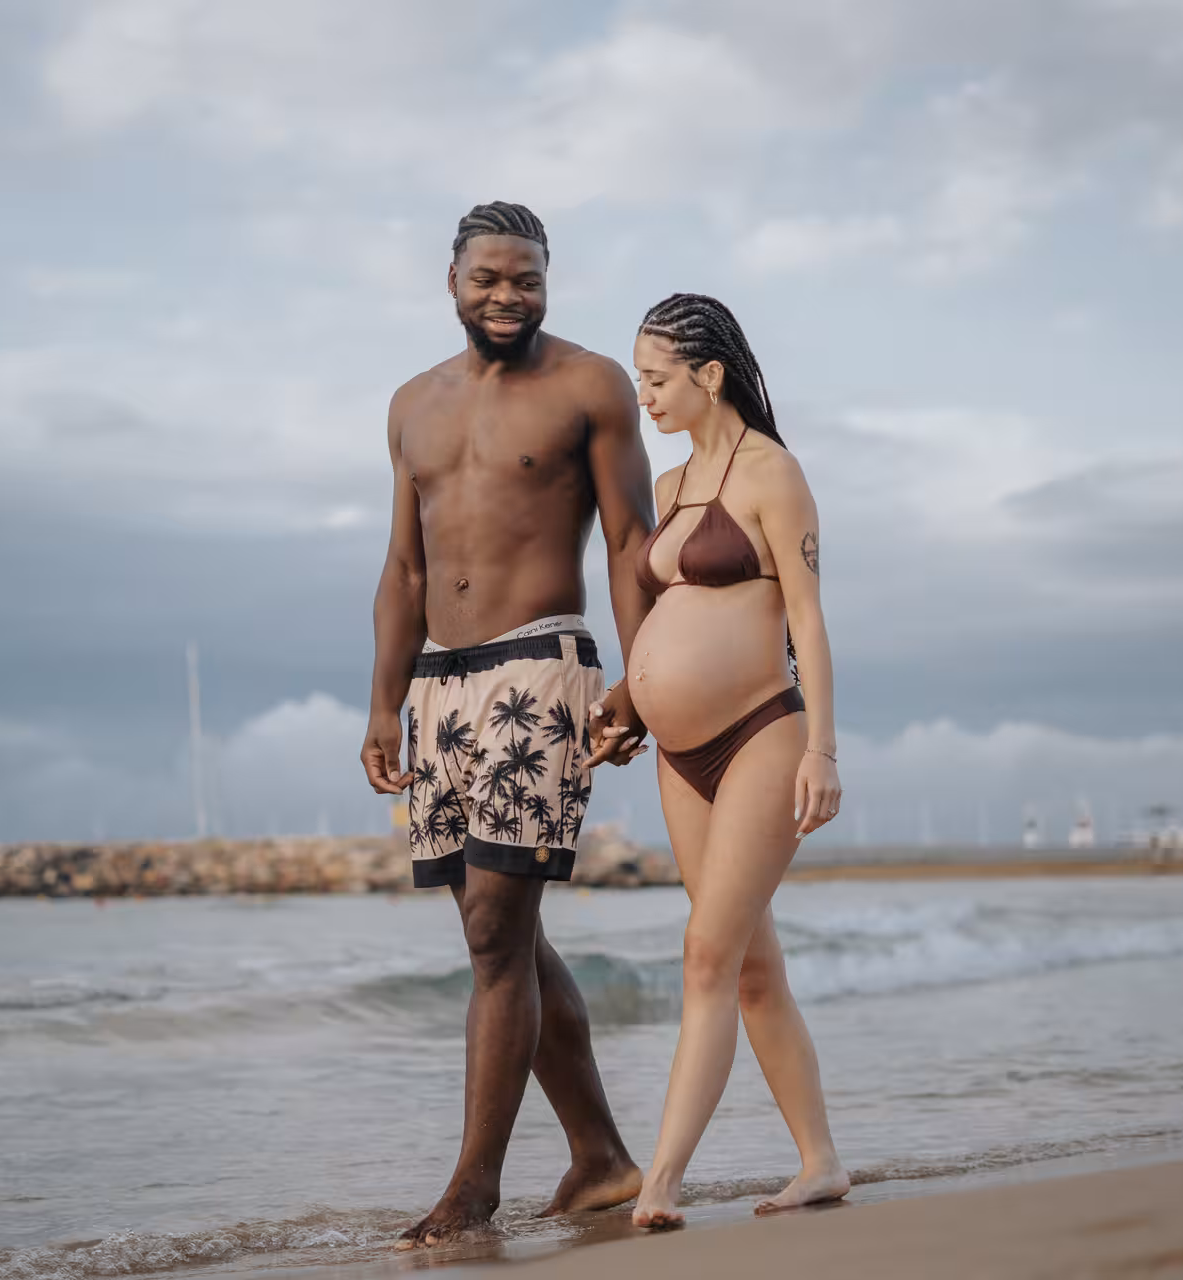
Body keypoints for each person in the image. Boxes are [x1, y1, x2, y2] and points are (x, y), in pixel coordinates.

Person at [360, 201, 657, 1248]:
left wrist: (643, 675)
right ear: (452, 281)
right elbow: (404, 567)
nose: (507, 295)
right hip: (439, 680)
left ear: (548, 281)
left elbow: (631, 542)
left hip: (540, 660)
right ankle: (601, 1157)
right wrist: (383, 702)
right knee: (507, 933)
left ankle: (473, 1186)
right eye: (488, 277)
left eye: (526, 278)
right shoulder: (410, 405)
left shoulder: (589, 385)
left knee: (494, 929)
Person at [620, 293, 850, 1228]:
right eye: (638, 379)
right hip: (680, 757)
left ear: (708, 375)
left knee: (706, 955)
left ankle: (660, 1183)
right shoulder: (672, 490)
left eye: (658, 378)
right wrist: (631, 705)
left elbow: (808, 621)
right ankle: (821, 1161)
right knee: (752, 971)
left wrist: (824, 750)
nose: (646, 396)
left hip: (761, 733)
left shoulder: (774, 474)